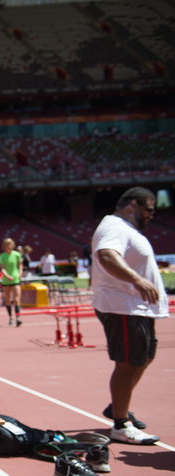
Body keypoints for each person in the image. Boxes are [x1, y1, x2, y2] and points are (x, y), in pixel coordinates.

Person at [91, 186, 168, 445]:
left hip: (137, 308)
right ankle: (121, 425)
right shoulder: (115, 226)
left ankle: (118, 407)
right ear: (133, 204)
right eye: (149, 209)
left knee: (144, 357)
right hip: (123, 306)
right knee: (127, 363)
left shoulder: (126, 229)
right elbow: (106, 255)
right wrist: (137, 280)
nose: (152, 215)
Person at [0, 238, 23, 327]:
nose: (9, 246)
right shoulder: (2, 256)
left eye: (10, 244)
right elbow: (2, 268)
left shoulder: (17, 255)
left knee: (16, 299)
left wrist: (20, 273)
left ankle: (18, 317)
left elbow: (20, 265)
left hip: (15, 279)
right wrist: (7, 276)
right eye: (7, 245)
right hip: (6, 280)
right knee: (8, 300)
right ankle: (10, 317)